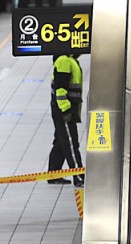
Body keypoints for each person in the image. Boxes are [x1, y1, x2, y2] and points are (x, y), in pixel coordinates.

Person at [47, 54, 84, 188]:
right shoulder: (64, 61)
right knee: (71, 143)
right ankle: (78, 176)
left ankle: (53, 174)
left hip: (63, 109)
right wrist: (66, 110)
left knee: (61, 141)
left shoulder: (69, 60)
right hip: (64, 111)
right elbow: (60, 89)